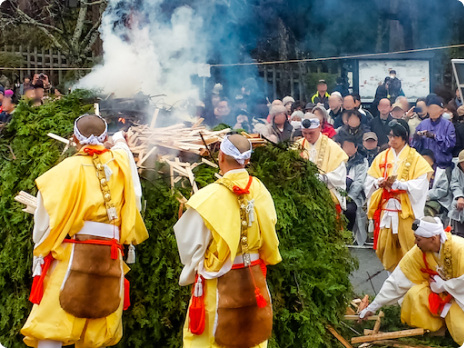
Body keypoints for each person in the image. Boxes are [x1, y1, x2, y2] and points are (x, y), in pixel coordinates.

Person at [21, 114, 149, 348]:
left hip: (72, 251)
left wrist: (40, 251)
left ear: (74, 138)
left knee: (52, 323)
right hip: (111, 254)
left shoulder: (62, 171)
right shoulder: (120, 163)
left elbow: (45, 217)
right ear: (105, 138)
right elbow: (136, 197)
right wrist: (120, 142)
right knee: (98, 325)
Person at [174, 134, 282, 348]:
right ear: (247, 161)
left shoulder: (207, 198)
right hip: (254, 280)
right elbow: (271, 232)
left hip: (218, 281)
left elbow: (189, 249)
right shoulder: (260, 191)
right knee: (251, 336)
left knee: (214, 337)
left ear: (221, 156)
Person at [360, 216, 464, 347]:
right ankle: (436, 330)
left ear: (433, 239)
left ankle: (450, 325)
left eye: (418, 239)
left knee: (460, 330)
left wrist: (445, 286)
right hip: (441, 296)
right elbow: (397, 280)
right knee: (414, 295)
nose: (415, 242)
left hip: (460, 297)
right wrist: (373, 307)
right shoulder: (418, 252)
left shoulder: (460, 248)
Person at [365, 119, 433, 272]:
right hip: (386, 208)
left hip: (404, 210)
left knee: (408, 246)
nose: (392, 140)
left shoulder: (415, 158)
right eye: (390, 136)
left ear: (405, 137)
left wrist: (401, 185)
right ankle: (391, 279)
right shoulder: (382, 156)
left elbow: (421, 184)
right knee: (384, 247)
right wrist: (378, 183)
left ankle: (408, 281)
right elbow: (369, 180)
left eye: (396, 136)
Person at [295, 116, 348, 212]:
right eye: (304, 133)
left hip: (326, 197)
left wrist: (320, 178)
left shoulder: (332, 147)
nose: (308, 137)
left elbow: (339, 176)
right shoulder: (297, 146)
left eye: (311, 133)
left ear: (319, 128)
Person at [412, 95, 456, 169]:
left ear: (441, 111)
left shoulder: (448, 125)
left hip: (443, 165)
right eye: (431, 108)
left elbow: (450, 146)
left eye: (435, 108)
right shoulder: (422, 124)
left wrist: (434, 137)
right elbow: (415, 147)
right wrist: (416, 137)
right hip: (425, 165)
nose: (433, 111)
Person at [342, 136, 368, 245]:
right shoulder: (338, 159)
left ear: (356, 148)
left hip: (354, 196)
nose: (348, 149)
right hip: (337, 192)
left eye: (350, 147)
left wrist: (349, 196)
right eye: (345, 147)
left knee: (350, 209)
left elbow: (359, 182)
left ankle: (348, 234)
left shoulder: (362, 161)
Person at [421, 149, 452, 222]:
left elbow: (443, 190)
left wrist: (427, 195)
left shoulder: (440, 172)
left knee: (425, 210)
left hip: (438, 200)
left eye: (426, 159)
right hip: (421, 199)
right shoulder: (419, 172)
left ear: (432, 160)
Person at [449, 150, 464, 238]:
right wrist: (460, 197)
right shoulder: (457, 170)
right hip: (460, 196)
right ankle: (456, 232)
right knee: (456, 205)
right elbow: (454, 184)